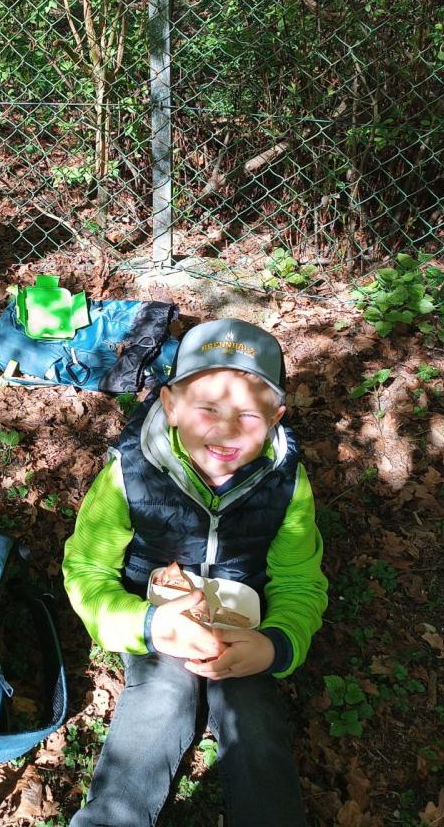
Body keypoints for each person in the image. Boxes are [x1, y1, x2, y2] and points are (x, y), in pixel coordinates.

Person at [63, 319, 327, 826]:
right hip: (159, 614)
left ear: (276, 417)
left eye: (248, 414)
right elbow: (87, 568)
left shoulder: (286, 483)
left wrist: (275, 645)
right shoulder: (129, 473)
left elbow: (299, 582)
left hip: (244, 622)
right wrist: (146, 624)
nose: (225, 430)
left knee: (253, 716)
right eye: (207, 408)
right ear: (171, 405)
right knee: (162, 699)